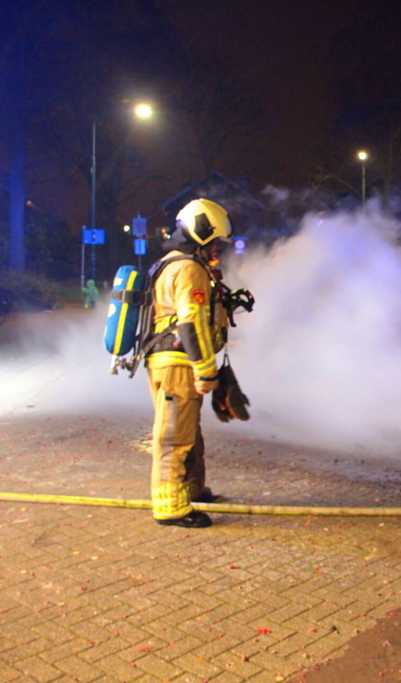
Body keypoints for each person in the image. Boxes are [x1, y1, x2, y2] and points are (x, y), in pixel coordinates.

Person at [142, 198, 234, 528]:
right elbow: (191, 323)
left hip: (170, 362)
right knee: (173, 437)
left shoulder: (170, 262)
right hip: (178, 365)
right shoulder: (189, 269)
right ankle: (170, 508)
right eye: (214, 243)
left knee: (187, 430)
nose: (216, 250)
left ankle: (192, 489)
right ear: (201, 233)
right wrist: (206, 371)